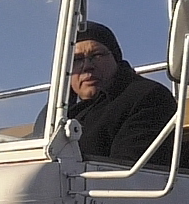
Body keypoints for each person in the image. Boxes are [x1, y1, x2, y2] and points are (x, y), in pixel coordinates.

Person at [65, 22, 182, 167]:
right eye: (76, 60)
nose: (87, 66)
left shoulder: (148, 97)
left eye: (97, 55)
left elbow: (126, 169)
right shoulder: (56, 112)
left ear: (116, 58)